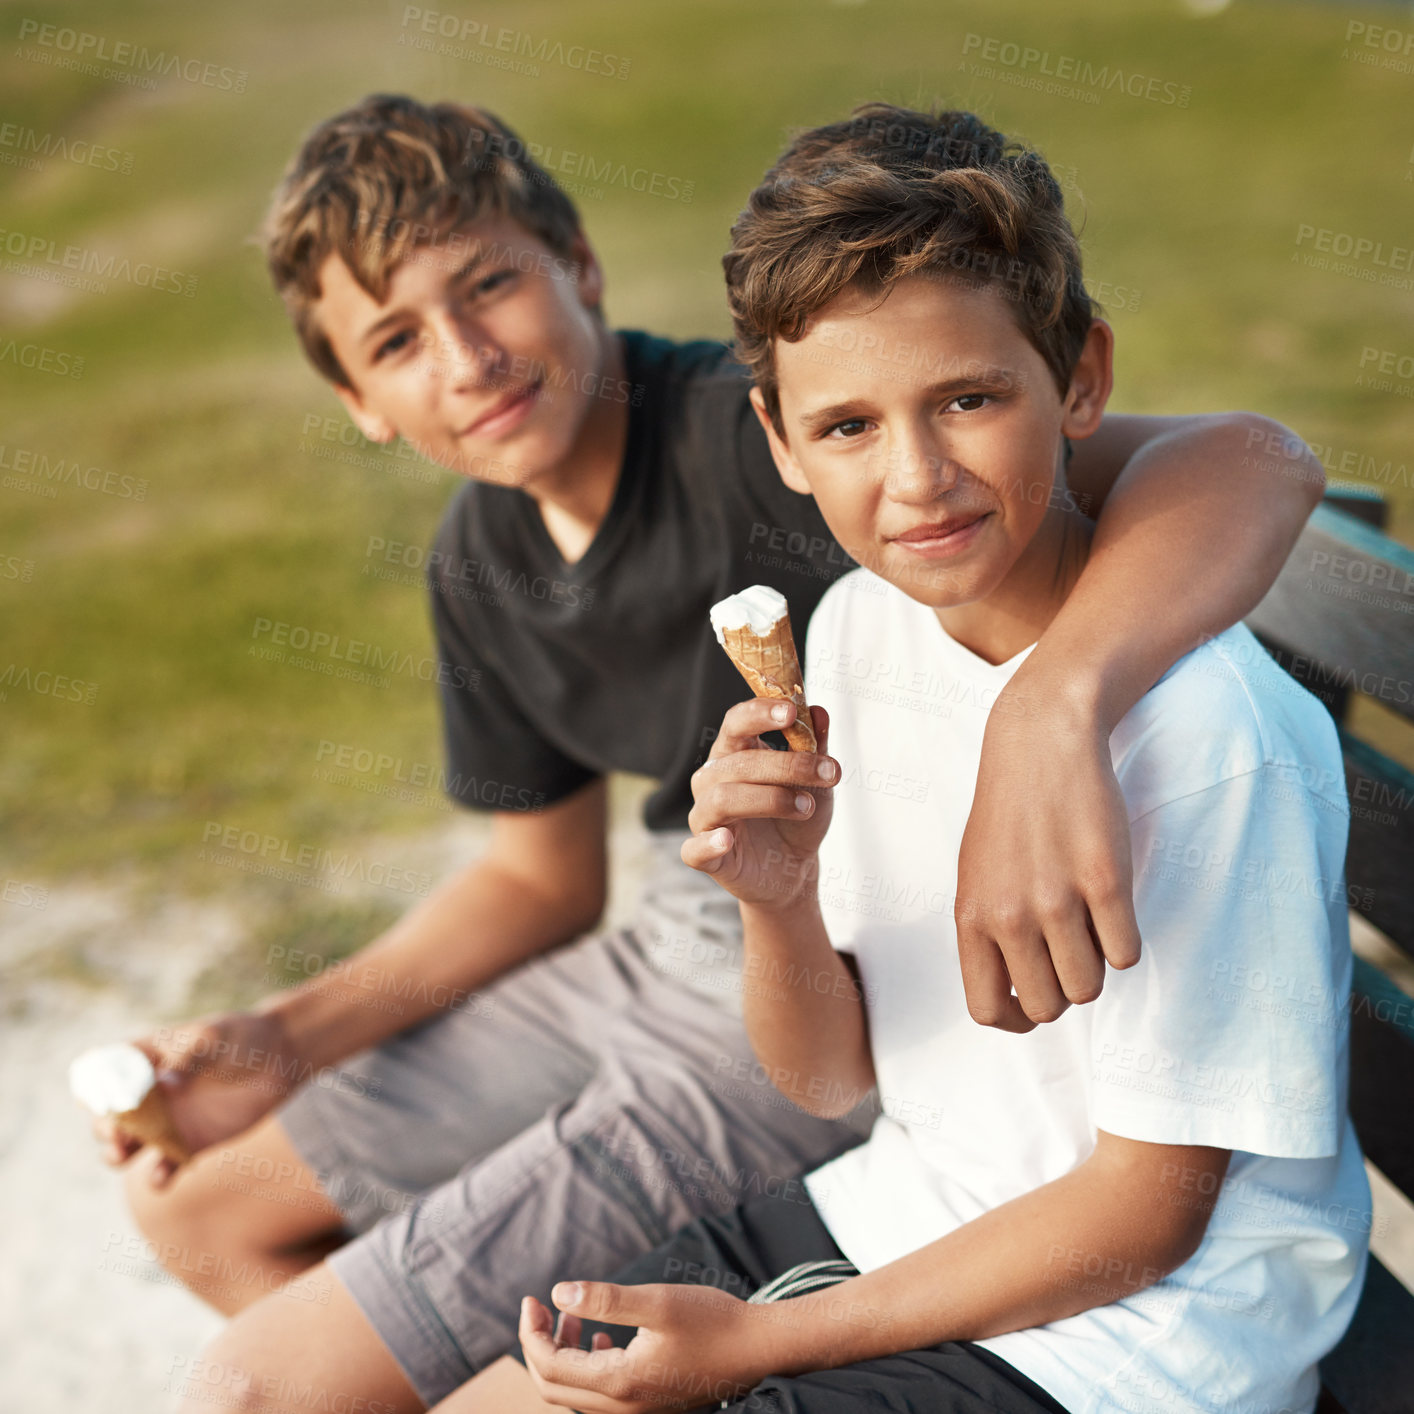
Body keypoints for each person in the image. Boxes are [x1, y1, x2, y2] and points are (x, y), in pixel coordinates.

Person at [110, 96, 1329, 1413]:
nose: (465, 359)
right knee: (224, 1236)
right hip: (785, 1052)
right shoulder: (822, 612)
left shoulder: (743, 440)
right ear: (357, 398)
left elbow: (1248, 457)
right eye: (398, 340)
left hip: (1112, 1319)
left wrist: (1053, 707)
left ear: (577, 264)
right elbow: (546, 887)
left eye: (489, 286)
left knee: (263, 1387)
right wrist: (775, 899)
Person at [507, 104, 1367, 1414]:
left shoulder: (1203, 737)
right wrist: (778, 898)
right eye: (846, 425)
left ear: (1079, 379)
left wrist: (758, 1346)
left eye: (966, 399)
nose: (915, 479)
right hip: (908, 1210)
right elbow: (833, 1078)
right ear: (782, 444)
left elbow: (1143, 1218)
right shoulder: (855, 627)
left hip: (1141, 1337)